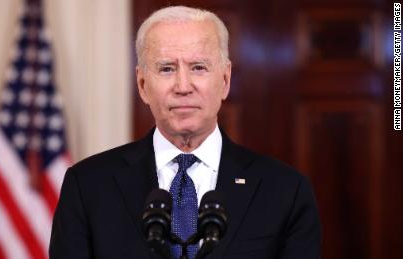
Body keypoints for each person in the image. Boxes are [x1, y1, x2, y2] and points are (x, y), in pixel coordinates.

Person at [49, 6, 321, 259]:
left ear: (225, 80)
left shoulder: (285, 190)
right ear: (142, 84)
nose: (183, 86)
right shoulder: (88, 186)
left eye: (198, 68)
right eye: (166, 68)